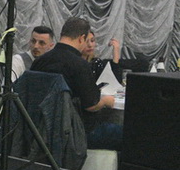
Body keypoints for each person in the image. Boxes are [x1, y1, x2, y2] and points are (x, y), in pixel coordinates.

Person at [31, 17, 123, 150]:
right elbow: (91, 106)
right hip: (77, 132)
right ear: (81, 38)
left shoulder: (39, 61)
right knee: (128, 134)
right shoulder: (80, 65)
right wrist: (105, 101)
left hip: (42, 129)